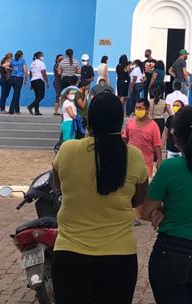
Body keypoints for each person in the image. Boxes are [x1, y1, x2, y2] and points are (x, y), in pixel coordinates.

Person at [51, 92, 149, 304]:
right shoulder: (133, 155)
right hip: (119, 256)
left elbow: (60, 188)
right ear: (120, 120)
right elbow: (138, 199)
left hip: (70, 253)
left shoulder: (67, 150)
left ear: (90, 119)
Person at [142, 105, 192, 304]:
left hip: (171, 254)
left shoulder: (169, 168)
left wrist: (162, 210)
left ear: (174, 136)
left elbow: (145, 212)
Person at [123, 98, 163, 178]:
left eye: (140, 108)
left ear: (147, 109)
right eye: (136, 108)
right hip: (130, 163)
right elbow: (125, 139)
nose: (137, 110)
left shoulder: (153, 126)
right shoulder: (130, 123)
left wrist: (159, 160)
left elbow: (157, 145)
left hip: (145, 165)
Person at [27, 51, 48, 116]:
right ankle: (30, 106)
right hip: (39, 80)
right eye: (42, 55)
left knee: (37, 96)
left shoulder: (32, 63)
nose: (43, 57)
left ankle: (36, 111)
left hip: (33, 81)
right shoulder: (41, 63)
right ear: (39, 56)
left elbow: (30, 74)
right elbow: (43, 72)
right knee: (41, 96)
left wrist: (31, 83)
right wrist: (46, 81)